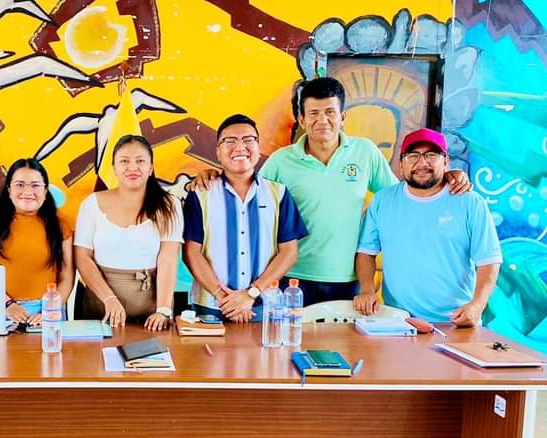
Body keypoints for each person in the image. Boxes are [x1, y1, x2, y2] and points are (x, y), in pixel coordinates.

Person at [192, 77, 471, 306]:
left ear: (342, 117)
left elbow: (399, 195)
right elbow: (247, 190)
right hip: (292, 278)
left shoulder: (364, 152)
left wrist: (445, 177)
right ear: (301, 119)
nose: (322, 120)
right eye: (313, 113)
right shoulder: (281, 160)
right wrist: (213, 176)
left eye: (330, 112)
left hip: (348, 278)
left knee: (341, 351)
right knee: (291, 349)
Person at [353, 128, 502, 326]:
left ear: (446, 161)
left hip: (456, 322)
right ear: (400, 164)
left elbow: (489, 260)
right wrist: (366, 289)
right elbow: (366, 252)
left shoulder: (470, 202)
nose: (422, 163)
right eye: (413, 156)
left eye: (431, 155)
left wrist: (477, 305)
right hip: (398, 321)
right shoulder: (382, 201)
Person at [183, 114, 307, 322]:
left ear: (258, 147)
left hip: (263, 308)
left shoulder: (278, 194)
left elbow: (289, 252)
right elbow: (191, 253)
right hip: (210, 309)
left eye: (248, 140)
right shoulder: (200, 194)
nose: (240, 147)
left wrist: (251, 293)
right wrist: (224, 298)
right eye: (230, 141)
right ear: (218, 152)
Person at [74, 134, 183, 331]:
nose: (133, 167)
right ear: (114, 168)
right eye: (124, 161)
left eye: (140, 161)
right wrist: (109, 299)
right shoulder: (91, 203)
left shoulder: (170, 205)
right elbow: (82, 257)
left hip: (152, 311)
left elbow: (168, 259)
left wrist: (163, 310)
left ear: (151, 168)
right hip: (100, 305)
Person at [0, 158, 74, 326]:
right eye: (19, 185)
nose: (27, 191)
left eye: (35, 185)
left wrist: (48, 311)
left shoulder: (61, 227)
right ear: (9, 189)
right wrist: (7, 305)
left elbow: (66, 278)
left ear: (45, 190)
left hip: (47, 313)